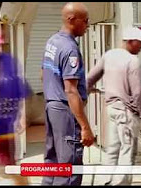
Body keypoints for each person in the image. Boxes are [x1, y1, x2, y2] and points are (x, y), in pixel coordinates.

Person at [86, 27, 141, 185]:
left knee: (112, 150)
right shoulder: (133, 61)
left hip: (112, 108)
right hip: (127, 112)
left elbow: (88, 79)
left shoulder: (109, 55)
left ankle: (105, 182)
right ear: (130, 41)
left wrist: (90, 90)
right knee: (127, 152)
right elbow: (137, 93)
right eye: (140, 42)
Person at [41, 2, 94, 185]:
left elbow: (44, 74)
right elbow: (70, 90)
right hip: (64, 111)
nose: (87, 25)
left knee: (52, 162)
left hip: (51, 107)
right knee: (69, 167)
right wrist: (85, 126)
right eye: (85, 21)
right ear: (72, 19)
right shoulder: (70, 49)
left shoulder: (53, 41)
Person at [0, 30, 29, 185]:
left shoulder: (8, 62)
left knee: (8, 163)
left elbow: (20, 89)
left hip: (4, 122)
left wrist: (22, 116)